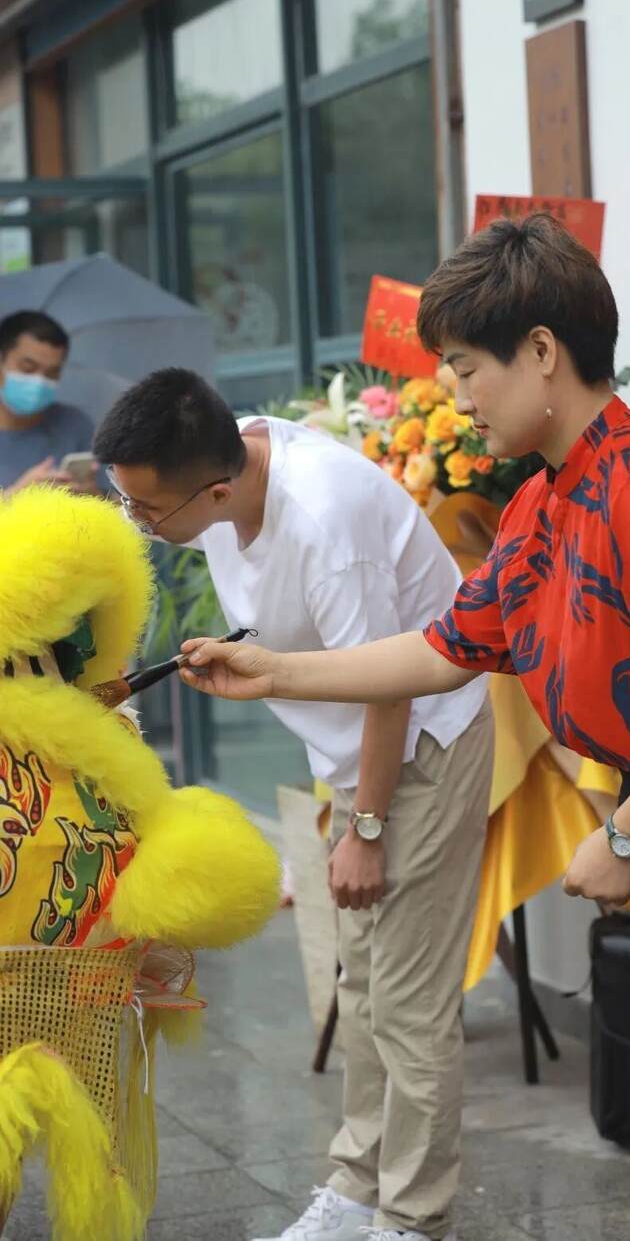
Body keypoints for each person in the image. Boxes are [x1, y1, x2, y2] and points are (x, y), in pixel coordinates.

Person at [179, 216, 630, 1241]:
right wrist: (275, 668)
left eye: (464, 366)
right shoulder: (553, 496)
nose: (454, 393)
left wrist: (622, 834)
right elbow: (449, 643)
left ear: (541, 352)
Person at [92, 370, 492, 1241]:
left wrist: (366, 829)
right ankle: (355, 1191)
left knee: (408, 1004)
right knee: (361, 983)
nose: (141, 526)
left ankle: (415, 1219)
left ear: (220, 490)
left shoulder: (323, 521)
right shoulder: (226, 457)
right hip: (352, 762)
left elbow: (390, 687)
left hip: (418, 748)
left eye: (146, 512)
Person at [0, 484, 280, 1241]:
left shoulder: (108, 746)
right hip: (56, 981)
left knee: (92, 1158)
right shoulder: (96, 744)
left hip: (84, 993)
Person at [0, 310, 97, 494]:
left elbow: (118, 506)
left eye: (51, 373)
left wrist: (92, 496)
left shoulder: (75, 425)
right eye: (28, 368)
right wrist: (15, 496)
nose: (39, 381)